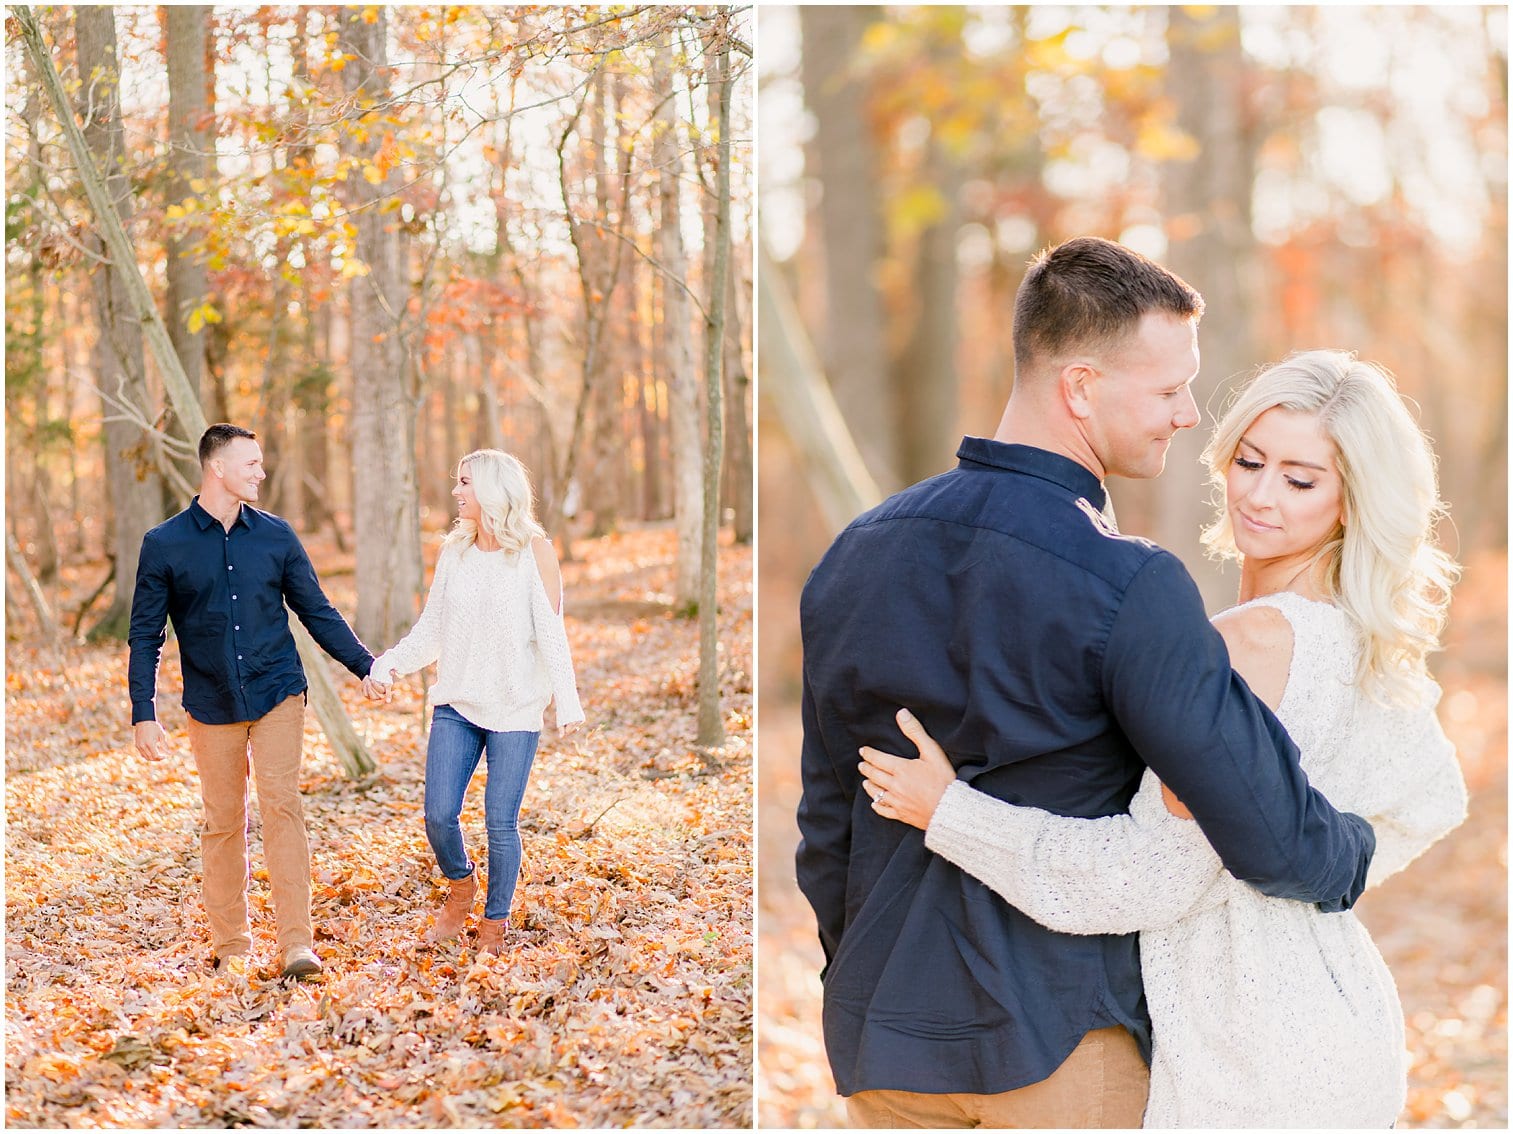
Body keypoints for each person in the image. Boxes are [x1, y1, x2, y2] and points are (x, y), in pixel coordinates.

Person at [796, 237, 1377, 1129]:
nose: (1188, 415)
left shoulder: (855, 552)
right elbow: (1270, 834)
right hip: (1059, 1042)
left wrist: (864, 977)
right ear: (1079, 388)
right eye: (1167, 388)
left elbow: (827, 828)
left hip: (884, 1039)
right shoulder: (1125, 583)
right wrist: (1357, 848)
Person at [859, 349, 1466, 1127]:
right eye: (1249, 461)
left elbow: (1143, 879)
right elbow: (1430, 801)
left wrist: (949, 813)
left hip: (1249, 1056)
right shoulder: (1361, 639)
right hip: (1339, 1017)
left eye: (1299, 478)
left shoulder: (1244, 647)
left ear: (1352, 501)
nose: (1257, 494)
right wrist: (1316, 870)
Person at [129, 424, 387, 979]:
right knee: (223, 821)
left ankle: (298, 944)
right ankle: (233, 946)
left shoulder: (276, 536)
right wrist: (143, 711)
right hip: (211, 700)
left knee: (281, 805)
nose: (262, 473)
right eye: (252, 464)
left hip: (277, 691)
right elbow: (146, 634)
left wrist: (365, 665)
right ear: (217, 468)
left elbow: (316, 610)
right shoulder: (165, 544)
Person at [369, 449, 584, 956]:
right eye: (457, 481)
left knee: (500, 822)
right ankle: (461, 884)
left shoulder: (535, 551)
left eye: (465, 482)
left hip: (515, 709)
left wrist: (567, 702)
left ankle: (494, 922)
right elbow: (432, 630)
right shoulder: (455, 552)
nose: (456, 492)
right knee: (439, 815)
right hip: (458, 703)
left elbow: (553, 636)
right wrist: (390, 663)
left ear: (491, 488)